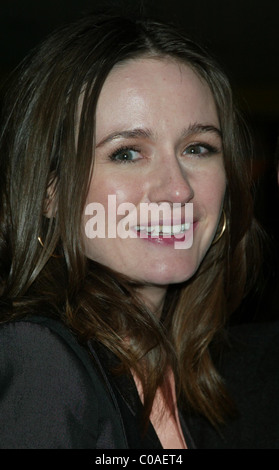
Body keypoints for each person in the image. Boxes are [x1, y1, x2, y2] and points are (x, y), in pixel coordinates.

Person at [0, 13, 277, 449]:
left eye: (198, 147)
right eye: (127, 153)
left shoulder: (229, 379)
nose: (177, 188)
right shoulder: (39, 361)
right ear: (50, 193)